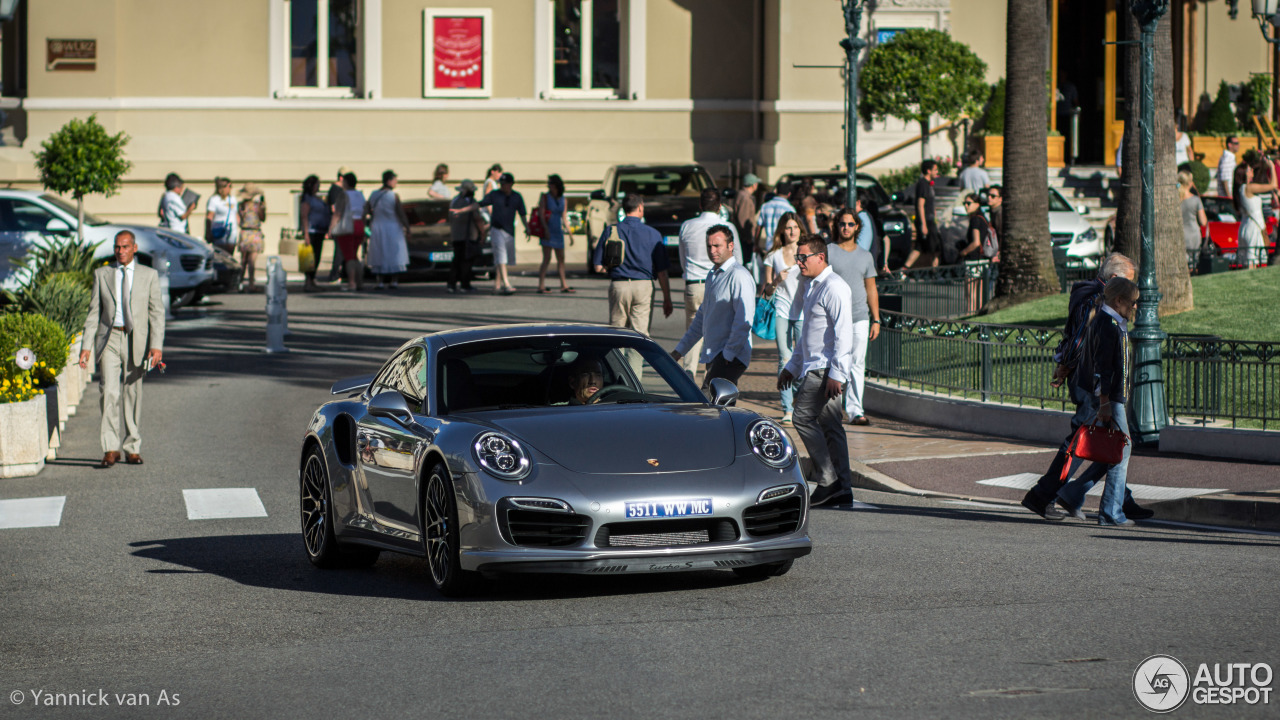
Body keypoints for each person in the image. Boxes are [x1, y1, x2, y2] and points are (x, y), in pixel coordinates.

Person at [1021, 253, 1151, 522]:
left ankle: (1098, 497)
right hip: (1092, 383)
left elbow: (1072, 335)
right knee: (1082, 443)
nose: (1130, 294)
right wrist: (1066, 365)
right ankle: (1044, 494)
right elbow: (1078, 338)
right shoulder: (1096, 300)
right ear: (1114, 280)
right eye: (1127, 283)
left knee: (1109, 443)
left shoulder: (1093, 296)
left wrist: (1063, 364)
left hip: (1089, 381)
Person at [777, 235, 854, 507]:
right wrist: (791, 367)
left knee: (801, 418)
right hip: (817, 366)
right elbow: (809, 335)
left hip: (824, 369)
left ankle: (828, 480)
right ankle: (843, 488)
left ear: (820, 257)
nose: (799, 262)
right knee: (831, 427)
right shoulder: (812, 286)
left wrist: (837, 373)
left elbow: (845, 333)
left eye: (803, 257)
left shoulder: (834, 287)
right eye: (798, 257)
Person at [78, 231, 165, 468]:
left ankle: (132, 447)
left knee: (132, 394)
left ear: (134, 248)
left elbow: (156, 312)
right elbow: (93, 313)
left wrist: (156, 346)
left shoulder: (149, 275)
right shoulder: (103, 274)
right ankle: (110, 448)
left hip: (136, 339)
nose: (120, 251)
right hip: (110, 338)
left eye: (125, 247)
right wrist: (86, 346)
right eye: (117, 247)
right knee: (109, 393)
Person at [1060, 276, 1142, 527]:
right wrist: (1105, 401)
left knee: (1111, 452)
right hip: (1111, 398)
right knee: (1122, 449)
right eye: (1132, 302)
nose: (1135, 307)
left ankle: (1072, 494)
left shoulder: (1111, 321)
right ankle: (1110, 512)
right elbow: (1102, 368)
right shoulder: (1107, 324)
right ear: (1118, 301)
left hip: (1113, 397)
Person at [671, 225, 756, 390]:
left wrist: (729, 354)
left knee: (710, 402)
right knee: (720, 408)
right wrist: (679, 351)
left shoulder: (738, 275)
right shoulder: (713, 274)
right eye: (709, 246)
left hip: (730, 356)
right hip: (716, 354)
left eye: (717, 246)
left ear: (730, 246)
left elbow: (744, 320)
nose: (712, 250)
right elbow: (702, 318)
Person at [676, 189, 743, 381]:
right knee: (718, 332)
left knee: (692, 329)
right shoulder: (726, 226)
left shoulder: (687, 226)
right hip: (720, 284)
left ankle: (689, 372)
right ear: (720, 206)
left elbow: (682, 259)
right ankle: (710, 375)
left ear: (700, 205)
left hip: (694, 283)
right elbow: (738, 260)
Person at [593, 193, 674, 341]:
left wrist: (609, 267)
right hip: (643, 286)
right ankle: (634, 364)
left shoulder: (611, 231)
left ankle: (616, 363)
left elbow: (598, 267)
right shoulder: (653, 234)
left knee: (616, 333)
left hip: (619, 285)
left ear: (624, 209)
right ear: (640, 208)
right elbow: (662, 272)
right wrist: (667, 298)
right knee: (640, 335)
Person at [826, 207, 881, 425]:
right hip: (834, 318)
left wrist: (876, 319)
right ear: (836, 226)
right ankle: (833, 408)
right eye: (842, 223)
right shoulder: (828, 250)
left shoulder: (865, 255)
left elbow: (871, 288)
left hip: (860, 316)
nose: (846, 227)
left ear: (857, 227)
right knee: (836, 362)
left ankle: (856, 411)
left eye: (850, 224)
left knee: (858, 363)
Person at [761, 211, 806, 425]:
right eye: (788, 227)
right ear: (782, 230)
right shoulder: (774, 256)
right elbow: (766, 292)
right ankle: (787, 408)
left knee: (804, 358)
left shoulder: (806, 252)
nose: (792, 231)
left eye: (795, 227)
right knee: (784, 359)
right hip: (781, 310)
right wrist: (777, 280)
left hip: (803, 313)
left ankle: (801, 398)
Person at [477, 172, 527, 294]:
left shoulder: (516, 197)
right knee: (501, 257)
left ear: (511, 184)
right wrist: (463, 209)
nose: (502, 186)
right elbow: (481, 203)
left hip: (509, 231)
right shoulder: (495, 195)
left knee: (503, 259)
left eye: (505, 184)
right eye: (501, 184)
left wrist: (527, 227)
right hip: (496, 229)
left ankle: (497, 285)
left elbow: (522, 213)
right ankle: (507, 284)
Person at [365, 170, 410, 289]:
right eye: (395, 180)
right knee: (393, 253)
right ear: (389, 180)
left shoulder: (374, 194)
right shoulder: (393, 196)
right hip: (393, 227)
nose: (396, 182)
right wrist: (407, 227)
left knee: (379, 252)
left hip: (378, 227)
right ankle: (394, 280)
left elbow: (367, 209)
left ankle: (380, 281)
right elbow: (400, 213)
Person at [536, 174, 575, 294]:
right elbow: (541, 214)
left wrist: (570, 233)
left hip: (558, 231)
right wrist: (546, 229)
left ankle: (563, 284)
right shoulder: (545, 197)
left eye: (551, 184)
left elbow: (564, 216)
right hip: (548, 229)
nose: (549, 186)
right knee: (546, 258)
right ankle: (541, 285)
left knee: (561, 259)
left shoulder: (563, 199)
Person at [328, 172, 365, 292]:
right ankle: (359, 282)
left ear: (346, 182)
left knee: (349, 257)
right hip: (359, 224)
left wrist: (331, 228)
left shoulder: (344, 195)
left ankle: (352, 282)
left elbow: (338, 213)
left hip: (348, 226)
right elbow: (365, 211)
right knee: (355, 255)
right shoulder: (360, 195)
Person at [448, 179, 486, 293]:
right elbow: (477, 218)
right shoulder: (471, 202)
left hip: (456, 236)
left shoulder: (454, 201)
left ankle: (452, 284)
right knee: (466, 262)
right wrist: (482, 233)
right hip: (468, 236)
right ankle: (465, 284)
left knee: (456, 261)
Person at [1237, 160, 1275, 269]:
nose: (1251, 171)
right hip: (1254, 227)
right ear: (1244, 173)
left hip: (1246, 225)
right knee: (1252, 263)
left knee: (1249, 261)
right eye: (1249, 170)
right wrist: (1271, 167)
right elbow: (1273, 185)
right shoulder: (1248, 187)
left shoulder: (1241, 188)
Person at [903, 160, 941, 268]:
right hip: (926, 221)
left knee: (920, 248)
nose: (937, 172)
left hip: (929, 219)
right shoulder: (923, 184)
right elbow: (921, 205)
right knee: (935, 248)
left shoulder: (929, 184)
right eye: (935, 170)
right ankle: (935, 272)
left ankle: (905, 268)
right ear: (928, 171)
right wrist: (923, 224)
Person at [299, 174, 331, 292]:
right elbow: (304, 216)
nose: (318, 187)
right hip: (312, 231)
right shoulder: (307, 199)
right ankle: (308, 281)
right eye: (317, 184)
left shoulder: (317, 199)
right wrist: (306, 233)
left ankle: (312, 280)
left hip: (320, 231)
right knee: (310, 258)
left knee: (317, 257)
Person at [325, 166, 352, 283]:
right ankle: (334, 274)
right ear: (341, 178)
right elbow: (334, 209)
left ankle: (343, 274)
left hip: (344, 224)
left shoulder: (343, 190)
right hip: (339, 224)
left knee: (345, 250)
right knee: (339, 251)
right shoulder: (336, 190)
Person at [236, 183, 266, 290]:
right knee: (252, 261)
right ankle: (251, 283)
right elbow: (262, 218)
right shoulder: (257, 206)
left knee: (243, 261)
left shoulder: (241, 206)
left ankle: (239, 282)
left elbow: (238, 221)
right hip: (255, 232)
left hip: (245, 232)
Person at [1179, 170, 1208, 268]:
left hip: (1180, 234)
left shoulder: (1175, 199)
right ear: (1190, 183)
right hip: (1193, 234)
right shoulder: (1195, 200)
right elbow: (1203, 222)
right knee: (1193, 264)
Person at [855, 190, 889, 274]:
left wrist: (884, 262)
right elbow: (887, 240)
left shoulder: (862, 218)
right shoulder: (868, 218)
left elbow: (862, 248)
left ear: (858, 202)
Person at [733, 173, 760, 275]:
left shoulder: (742, 195)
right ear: (753, 185)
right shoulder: (745, 198)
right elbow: (743, 219)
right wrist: (748, 236)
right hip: (745, 238)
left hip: (742, 236)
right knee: (745, 262)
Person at [204, 177, 238, 254]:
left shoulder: (232, 199)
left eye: (229, 186)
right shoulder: (214, 199)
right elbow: (209, 216)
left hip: (232, 230)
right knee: (220, 252)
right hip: (219, 230)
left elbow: (235, 214)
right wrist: (208, 233)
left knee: (230, 253)